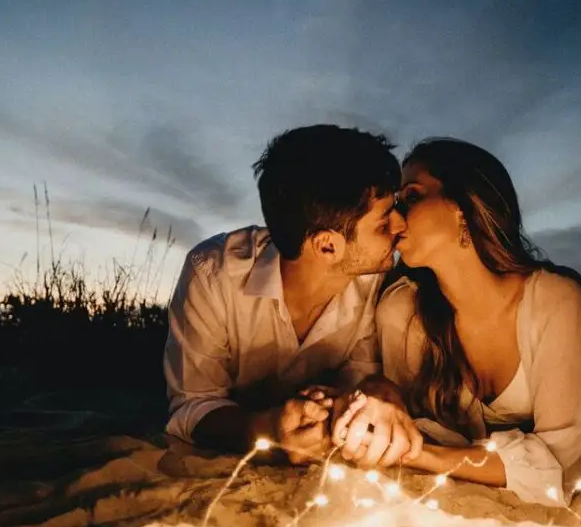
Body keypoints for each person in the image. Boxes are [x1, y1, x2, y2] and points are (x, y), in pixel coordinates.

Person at [333, 138, 581, 505]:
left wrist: (418, 454)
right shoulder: (402, 309)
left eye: (412, 197)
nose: (395, 218)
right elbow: (408, 422)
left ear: (464, 206)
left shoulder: (554, 300)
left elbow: (562, 464)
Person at [163, 125, 422, 465]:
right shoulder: (213, 274)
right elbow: (192, 405)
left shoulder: (377, 282)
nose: (402, 225)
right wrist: (266, 430)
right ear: (327, 245)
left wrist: (378, 393)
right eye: (383, 222)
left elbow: (363, 379)